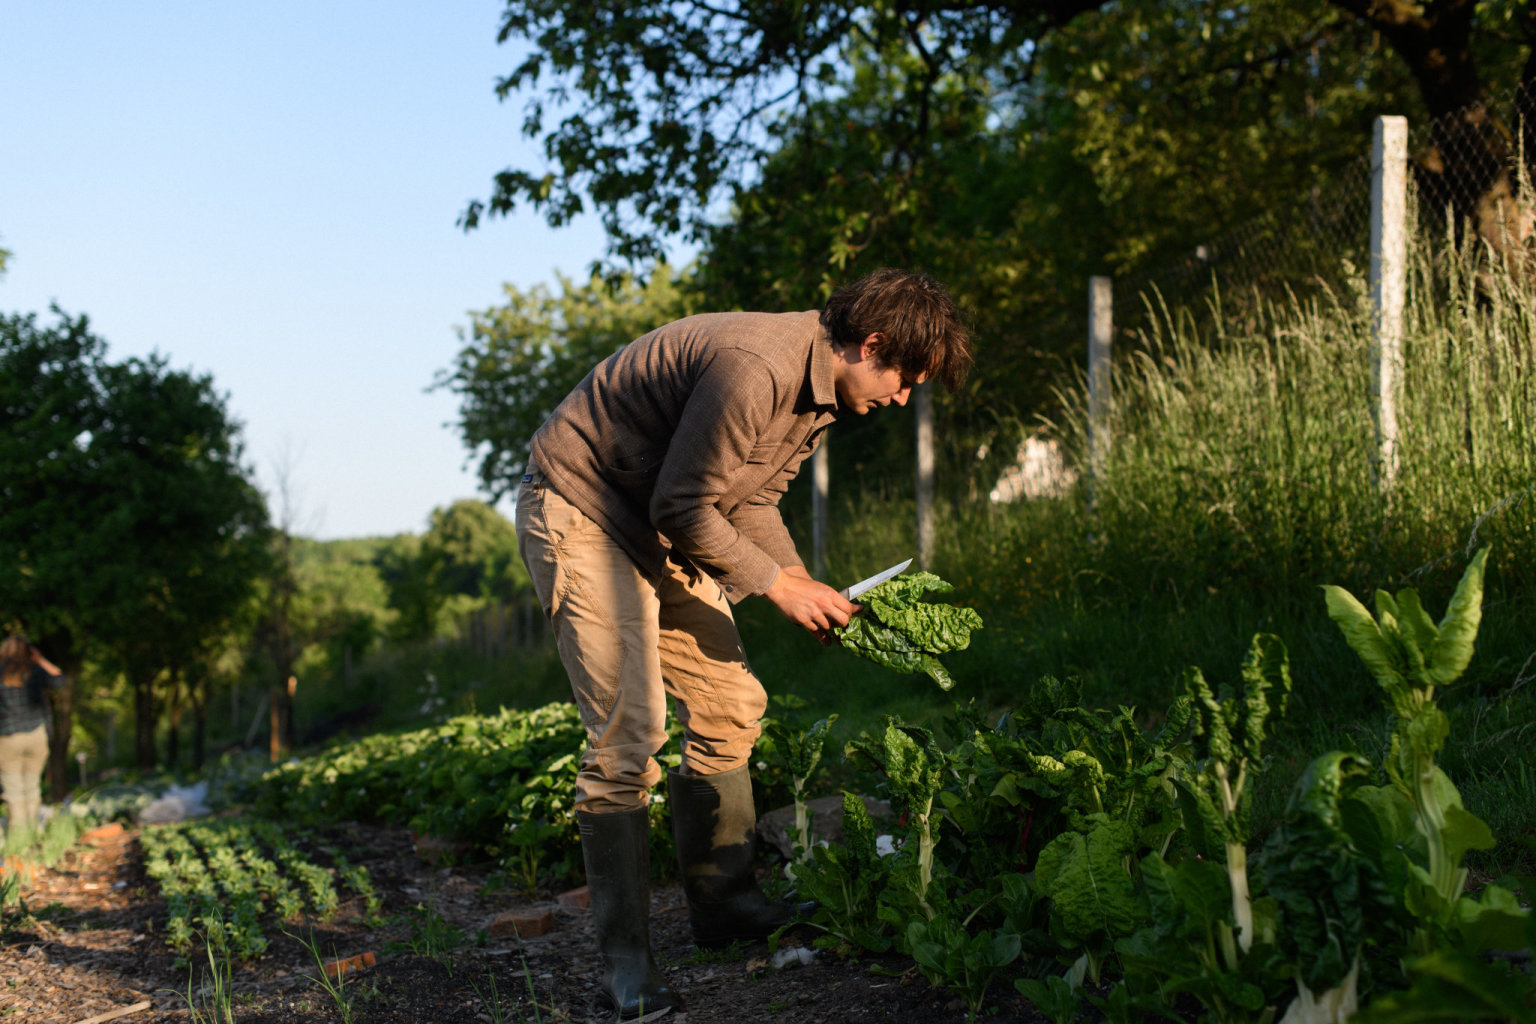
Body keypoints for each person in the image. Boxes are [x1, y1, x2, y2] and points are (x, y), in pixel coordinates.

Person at [515, 268, 972, 1018]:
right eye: (905, 379)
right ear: (872, 344)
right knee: (630, 733)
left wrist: (799, 580)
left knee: (732, 701)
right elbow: (684, 503)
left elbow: (751, 499)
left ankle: (722, 907)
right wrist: (778, 588)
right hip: (583, 508)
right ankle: (625, 968)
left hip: (658, 519)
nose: (903, 397)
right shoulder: (756, 366)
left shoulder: (821, 393)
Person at [0, 633, 65, 846]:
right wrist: (40, 660)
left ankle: (18, 840)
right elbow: (59, 679)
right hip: (36, 735)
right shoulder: (35, 671)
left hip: (7, 737)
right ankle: (31, 837)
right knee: (32, 786)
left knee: (13, 789)